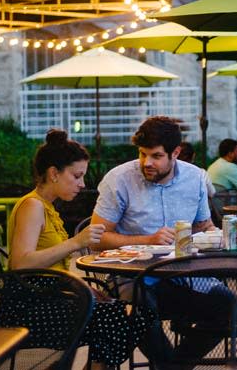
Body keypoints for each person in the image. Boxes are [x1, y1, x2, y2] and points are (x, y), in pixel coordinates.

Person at [90, 116, 237, 364]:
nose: (147, 162)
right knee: (142, 311)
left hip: (184, 273)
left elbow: (203, 227)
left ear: (175, 153)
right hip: (133, 275)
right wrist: (147, 239)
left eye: (155, 156)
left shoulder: (195, 178)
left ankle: (174, 366)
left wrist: (226, 234)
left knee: (229, 306)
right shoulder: (119, 179)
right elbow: (96, 239)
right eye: (142, 154)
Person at [8, 129, 148, 369]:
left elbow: (50, 265)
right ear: (54, 173)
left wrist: (81, 286)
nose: (83, 184)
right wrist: (76, 242)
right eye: (77, 176)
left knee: (137, 314)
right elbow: (20, 264)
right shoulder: (32, 206)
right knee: (117, 319)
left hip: (50, 297)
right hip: (29, 305)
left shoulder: (46, 207)